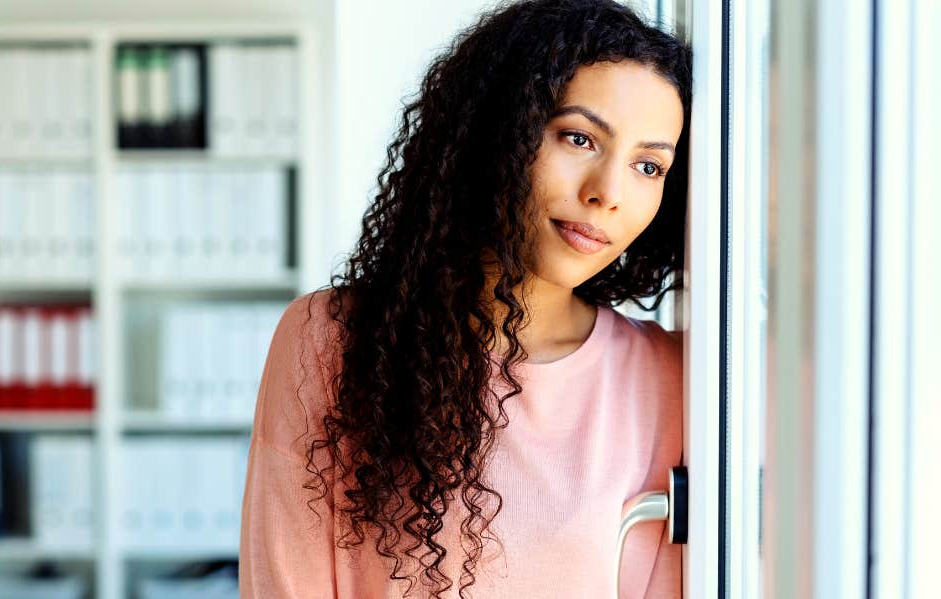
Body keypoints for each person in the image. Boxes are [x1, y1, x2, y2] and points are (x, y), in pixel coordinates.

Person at [240, 0, 691, 597]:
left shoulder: (675, 379)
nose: (607, 192)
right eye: (578, 138)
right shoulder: (331, 341)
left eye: (649, 167)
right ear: (497, 131)